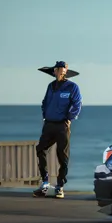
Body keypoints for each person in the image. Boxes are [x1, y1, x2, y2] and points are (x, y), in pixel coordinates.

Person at [33, 61, 82, 198]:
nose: (60, 71)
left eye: (63, 69)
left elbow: (77, 104)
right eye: (58, 69)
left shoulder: (72, 87)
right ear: (54, 72)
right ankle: (45, 183)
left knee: (63, 157)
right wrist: (45, 116)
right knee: (40, 149)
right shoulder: (51, 86)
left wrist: (69, 118)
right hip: (49, 124)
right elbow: (45, 102)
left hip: (62, 126)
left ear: (66, 72)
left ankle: (60, 186)